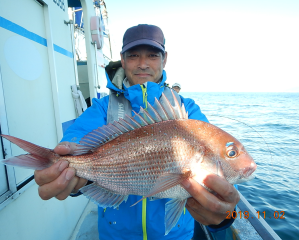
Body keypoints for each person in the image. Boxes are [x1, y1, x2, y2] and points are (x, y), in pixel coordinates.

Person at [34, 24, 239, 239]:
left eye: (152, 55)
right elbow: (77, 137)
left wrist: (224, 214)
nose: (143, 64)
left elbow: (214, 155)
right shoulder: (103, 108)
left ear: (164, 59)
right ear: (122, 60)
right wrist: (67, 167)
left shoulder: (187, 110)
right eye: (133, 56)